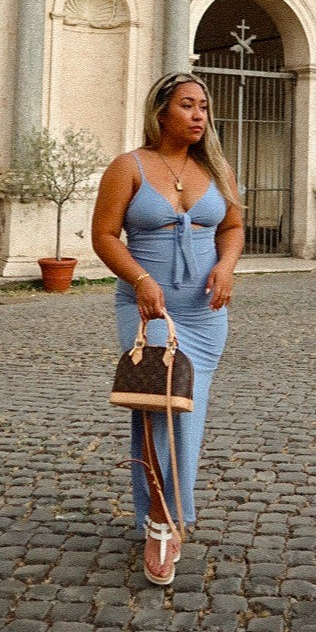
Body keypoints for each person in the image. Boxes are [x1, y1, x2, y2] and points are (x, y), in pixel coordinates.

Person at [92, 72, 244, 586]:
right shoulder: (127, 167)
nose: (199, 114)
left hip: (205, 315)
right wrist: (139, 279)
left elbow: (233, 228)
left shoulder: (217, 168)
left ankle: (171, 510)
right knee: (158, 406)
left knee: (187, 417)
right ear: (161, 112)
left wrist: (225, 268)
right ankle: (160, 520)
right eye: (187, 105)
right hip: (147, 311)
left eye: (203, 106)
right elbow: (104, 236)